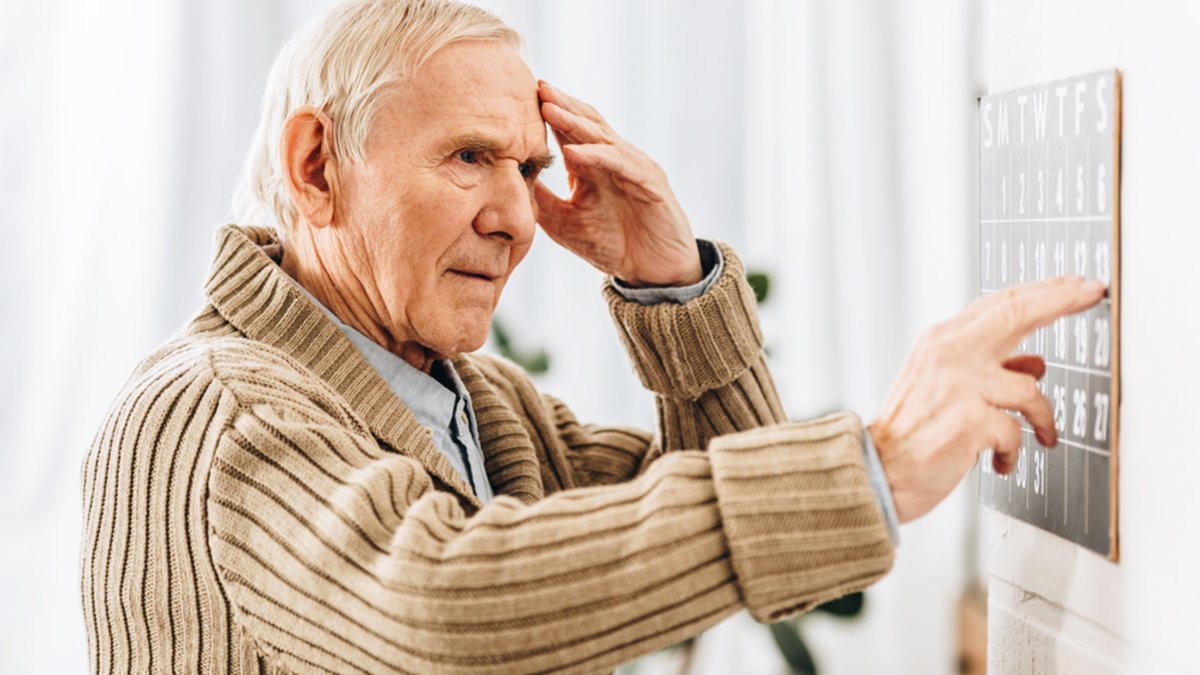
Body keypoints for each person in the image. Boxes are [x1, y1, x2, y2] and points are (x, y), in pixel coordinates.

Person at [79, 1, 1105, 673]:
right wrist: (873, 463)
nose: (518, 219)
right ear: (316, 166)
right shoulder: (208, 409)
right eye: (469, 156)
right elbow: (442, 611)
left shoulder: (485, 406)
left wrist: (673, 288)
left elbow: (784, 554)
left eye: (528, 168)